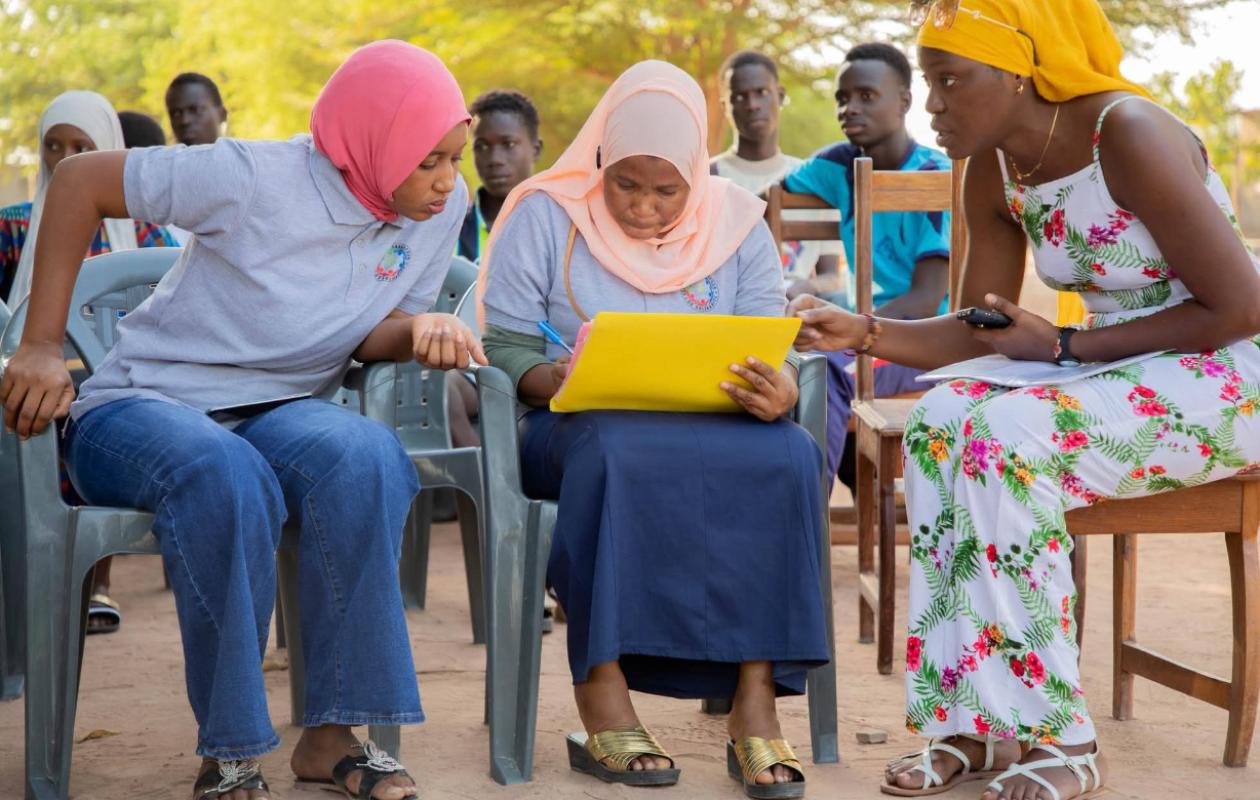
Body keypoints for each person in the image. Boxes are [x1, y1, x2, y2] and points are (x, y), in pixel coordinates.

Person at [789, 2, 1260, 798]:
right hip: (1118, 367)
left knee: (1004, 434)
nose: (932, 104)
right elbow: (981, 328)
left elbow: (1240, 307)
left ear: (1017, 72)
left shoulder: (1127, 133)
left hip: (1228, 375)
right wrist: (859, 331)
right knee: (941, 422)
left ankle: (1060, 735)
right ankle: (971, 722)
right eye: (929, 82)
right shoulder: (992, 164)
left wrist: (1066, 347)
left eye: (947, 81)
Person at [1, 41, 485, 800]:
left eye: (457, 157)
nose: (448, 180)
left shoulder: (438, 209)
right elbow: (77, 181)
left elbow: (367, 329)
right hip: (143, 404)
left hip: (279, 409)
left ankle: (332, 736)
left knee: (367, 455)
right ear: (374, 139)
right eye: (430, 160)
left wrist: (418, 330)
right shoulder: (252, 175)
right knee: (226, 475)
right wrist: (37, 344)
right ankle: (228, 750)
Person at [477, 60, 828, 798]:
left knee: (792, 454)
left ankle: (754, 701)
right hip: (575, 430)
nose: (643, 208)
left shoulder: (734, 218)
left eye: (666, 189)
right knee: (615, 450)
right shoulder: (546, 214)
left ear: (696, 175)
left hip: (711, 423)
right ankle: (603, 692)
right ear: (599, 160)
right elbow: (505, 346)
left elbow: (774, 338)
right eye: (626, 185)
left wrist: (781, 384)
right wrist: (557, 380)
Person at [0, 93, 179, 636]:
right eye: (54, 146)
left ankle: (93, 581)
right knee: (40, 399)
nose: (67, 159)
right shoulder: (12, 229)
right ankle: (32, 585)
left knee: (95, 407)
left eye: (83, 147)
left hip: (119, 382)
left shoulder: (146, 233)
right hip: (30, 378)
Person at [782, 43, 952, 482]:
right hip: (866, 331)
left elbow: (927, 298)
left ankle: (807, 519)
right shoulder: (837, 165)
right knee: (790, 361)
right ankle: (812, 498)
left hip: (928, 342)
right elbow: (765, 202)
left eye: (866, 96)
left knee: (826, 369)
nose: (850, 108)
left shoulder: (936, 178)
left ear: (904, 102)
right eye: (842, 98)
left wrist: (849, 327)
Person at [710, 50, 841, 301]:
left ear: (780, 95)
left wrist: (809, 286)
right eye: (739, 96)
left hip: (796, 323)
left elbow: (832, 276)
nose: (752, 105)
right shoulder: (707, 178)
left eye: (762, 92)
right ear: (725, 106)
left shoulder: (812, 180)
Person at [458, 89, 543, 262]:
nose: (495, 159)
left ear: (536, 149)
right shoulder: (451, 229)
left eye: (508, 144)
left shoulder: (559, 228)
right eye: (481, 146)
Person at [166, 72, 227, 147]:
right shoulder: (159, 158)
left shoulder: (241, 156)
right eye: (175, 114)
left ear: (222, 115)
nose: (184, 121)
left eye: (195, 110)